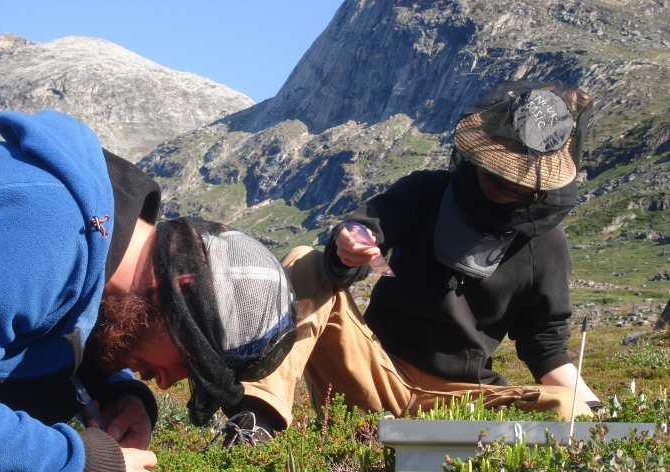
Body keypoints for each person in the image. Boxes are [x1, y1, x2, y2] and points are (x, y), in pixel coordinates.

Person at [234, 80, 603, 436]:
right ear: (481, 154)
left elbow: (546, 346)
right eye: (498, 174)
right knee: (304, 259)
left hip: (464, 403)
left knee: (570, 409)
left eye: (522, 185)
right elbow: (368, 234)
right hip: (375, 374)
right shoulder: (426, 193)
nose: (508, 188)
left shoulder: (547, 245)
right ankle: (255, 418)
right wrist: (353, 248)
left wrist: (597, 414)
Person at [0, 110, 296, 472]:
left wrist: (114, 389)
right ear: (181, 289)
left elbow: (50, 328)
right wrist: (79, 467)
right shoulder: (44, 231)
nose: (164, 382)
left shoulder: (93, 251)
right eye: (189, 363)